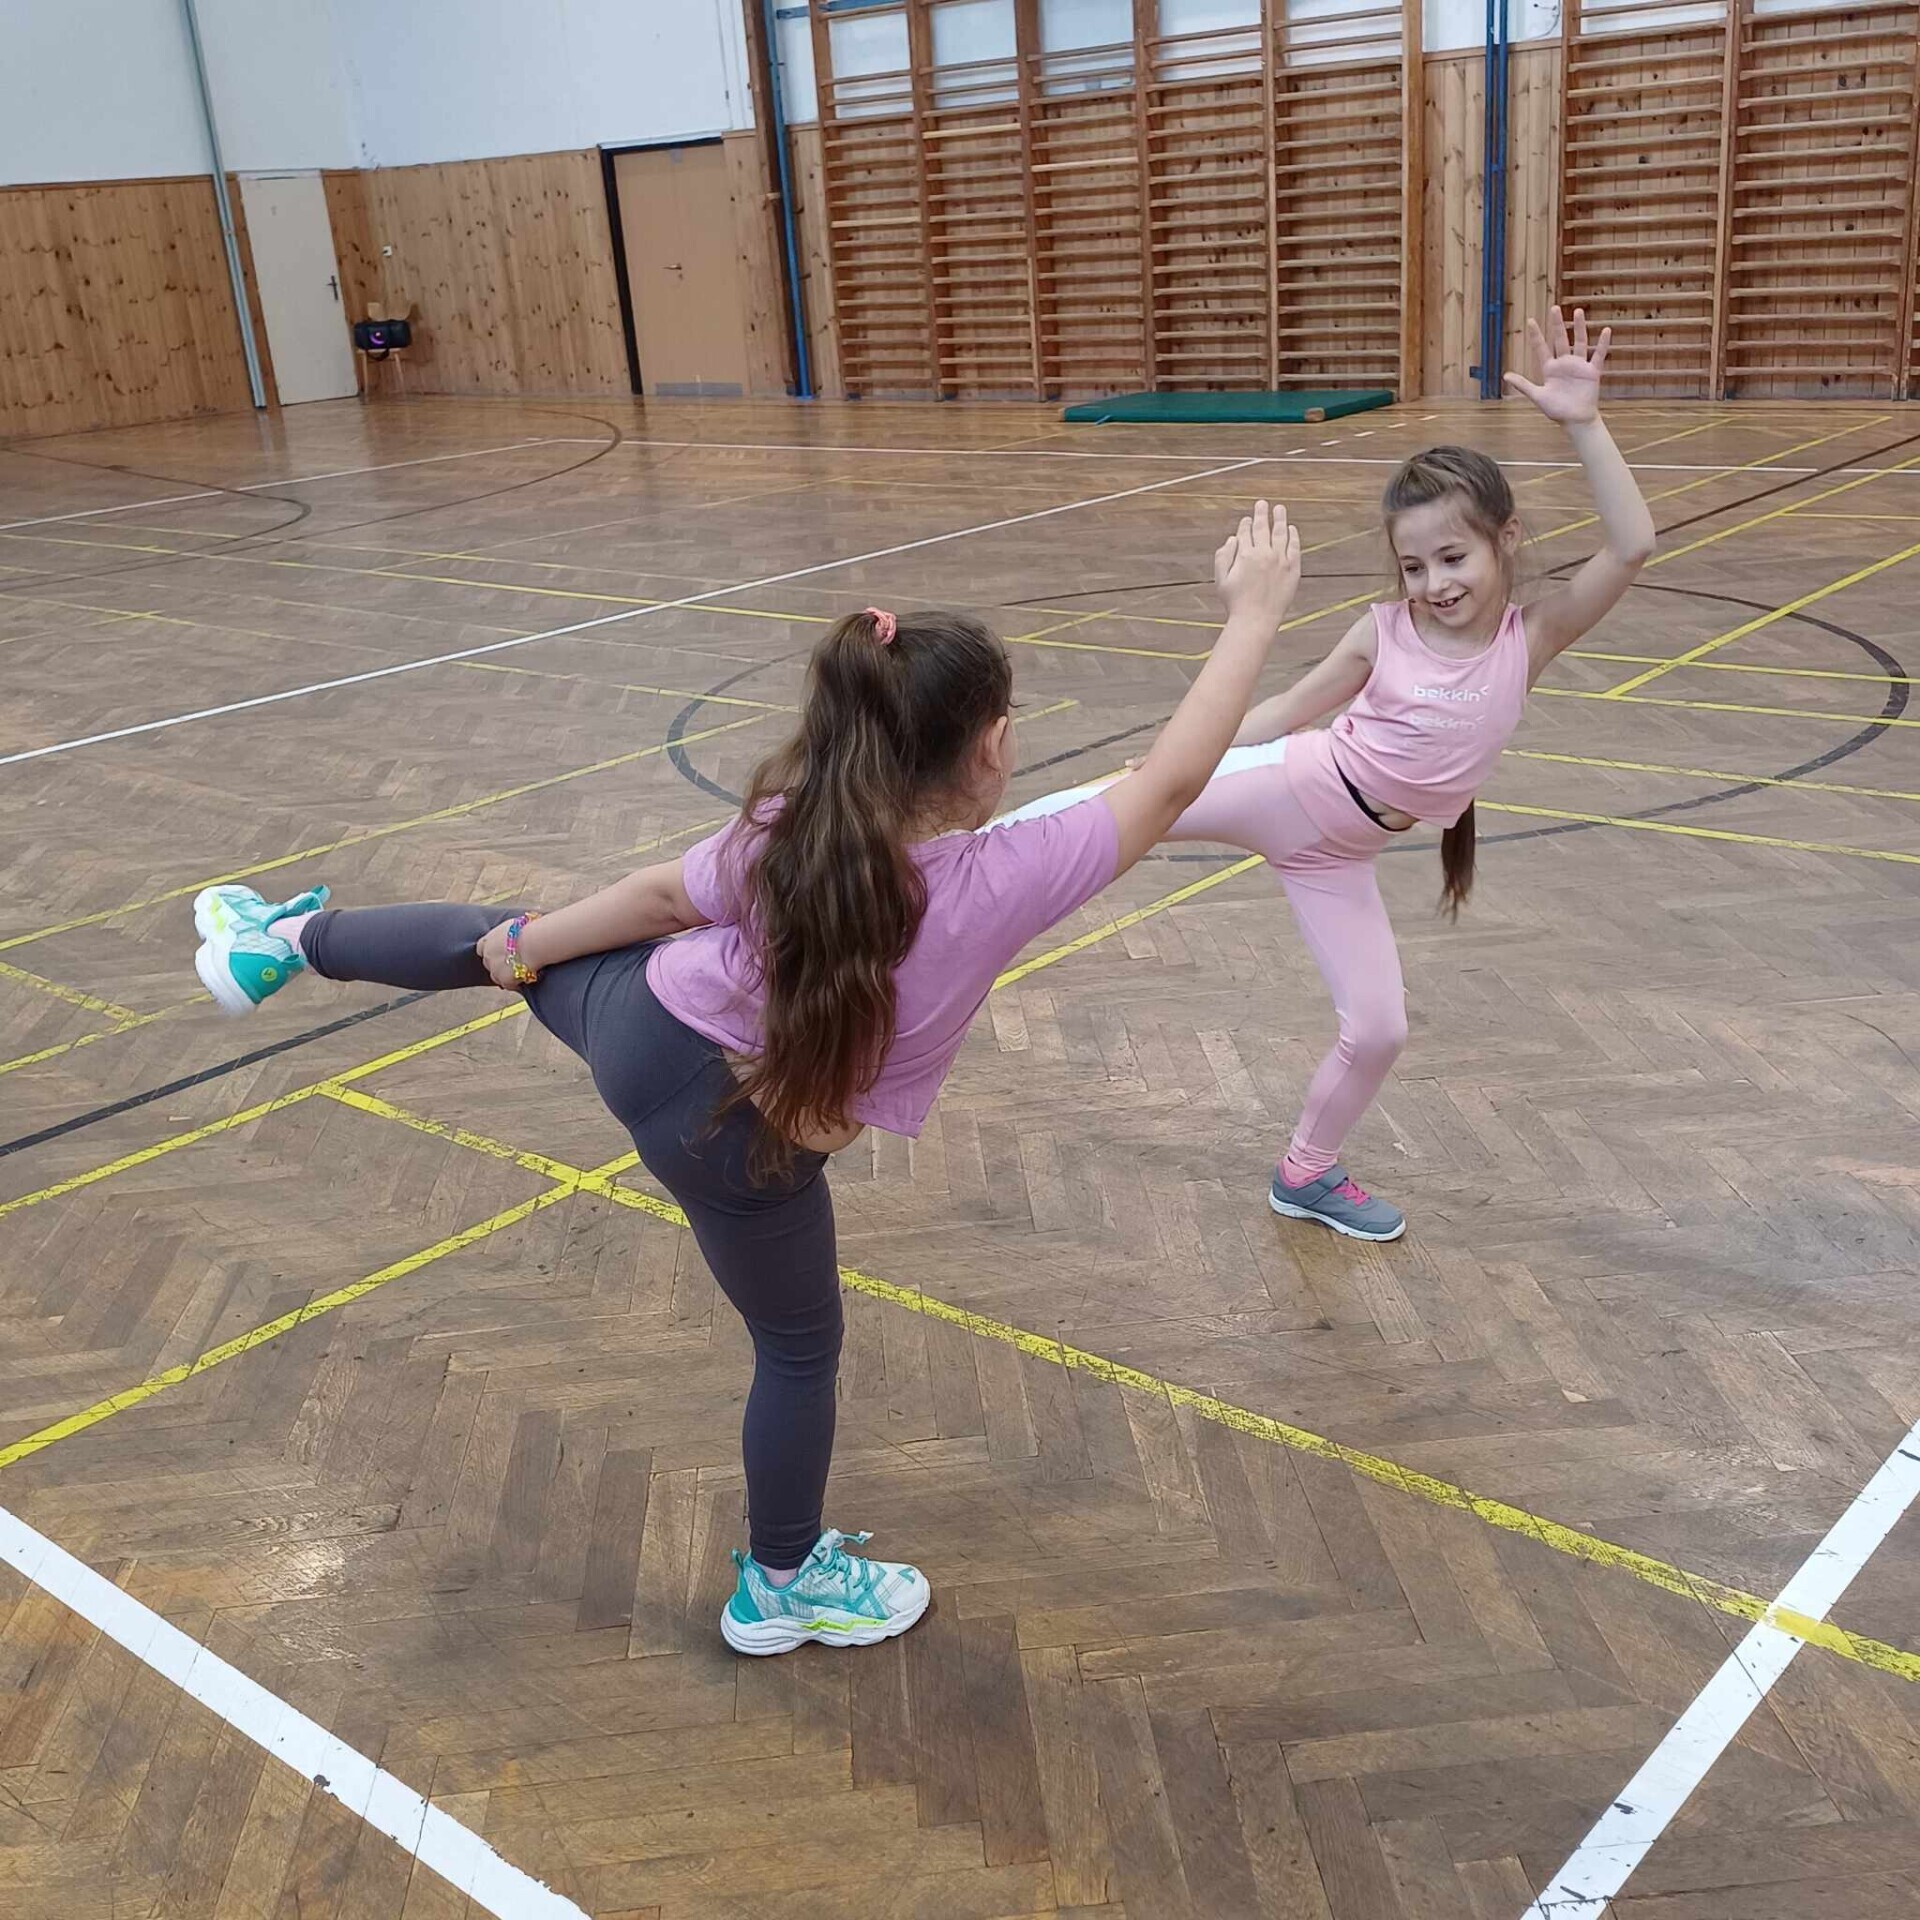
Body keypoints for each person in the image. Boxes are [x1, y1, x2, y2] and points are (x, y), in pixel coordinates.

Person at [188, 503, 1303, 1655]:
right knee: (797, 1349)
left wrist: (519, 952)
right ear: (991, 750)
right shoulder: (1007, 878)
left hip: (644, 1030)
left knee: (492, 933)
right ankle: (780, 1585)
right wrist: (1256, 612)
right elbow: (1173, 779)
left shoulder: (796, 823)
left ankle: (283, 943)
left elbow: (657, 901)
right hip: (743, 1150)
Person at [999, 308, 1655, 1243]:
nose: (1435, 583)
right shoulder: (1383, 631)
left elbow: (1630, 547)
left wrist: (1585, 424)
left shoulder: (1533, 637)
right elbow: (1279, 714)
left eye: (1454, 557)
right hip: (1291, 787)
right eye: (1414, 565)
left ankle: (1304, 1172)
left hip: (1339, 855)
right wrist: (1177, 762)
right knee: (1105, 813)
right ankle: (951, 865)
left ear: (1507, 539)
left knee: (1380, 1029)